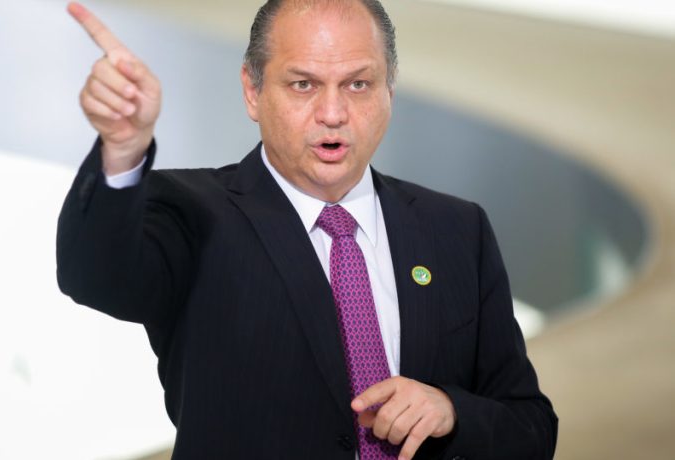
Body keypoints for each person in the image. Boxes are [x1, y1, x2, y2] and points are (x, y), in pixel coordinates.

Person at [57, 1, 558, 459]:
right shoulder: (194, 213)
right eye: (304, 85)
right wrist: (123, 150)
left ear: (390, 89)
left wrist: (451, 412)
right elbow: (97, 276)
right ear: (252, 91)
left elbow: (531, 428)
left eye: (358, 84)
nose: (334, 114)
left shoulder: (457, 230)